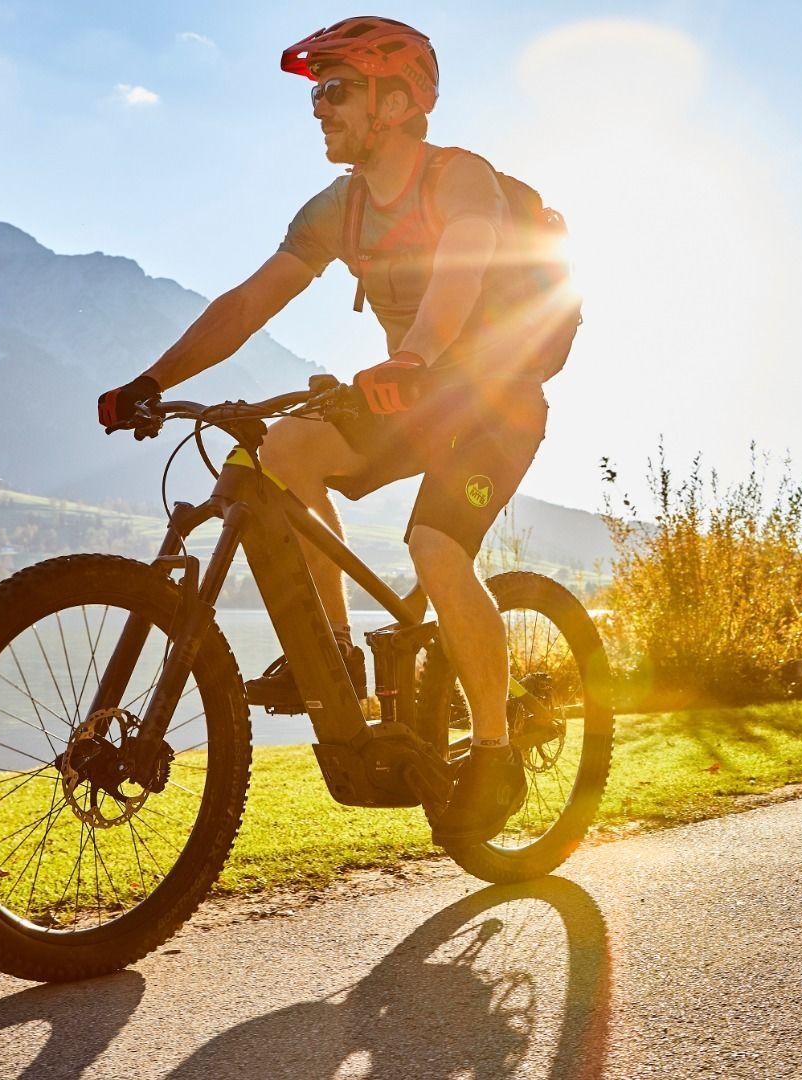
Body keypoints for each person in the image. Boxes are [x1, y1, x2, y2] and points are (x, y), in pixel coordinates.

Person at [96, 16, 563, 845]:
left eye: (336, 90)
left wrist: (413, 355)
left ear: (398, 101)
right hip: (414, 396)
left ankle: (495, 752)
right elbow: (249, 303)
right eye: (316, 93)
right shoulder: (338, 209)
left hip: (497, 401)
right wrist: (153, 381)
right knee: (282, 450)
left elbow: (460, 271)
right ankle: (338, 656)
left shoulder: (460, 179)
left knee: (435, 547)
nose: (319, 109)